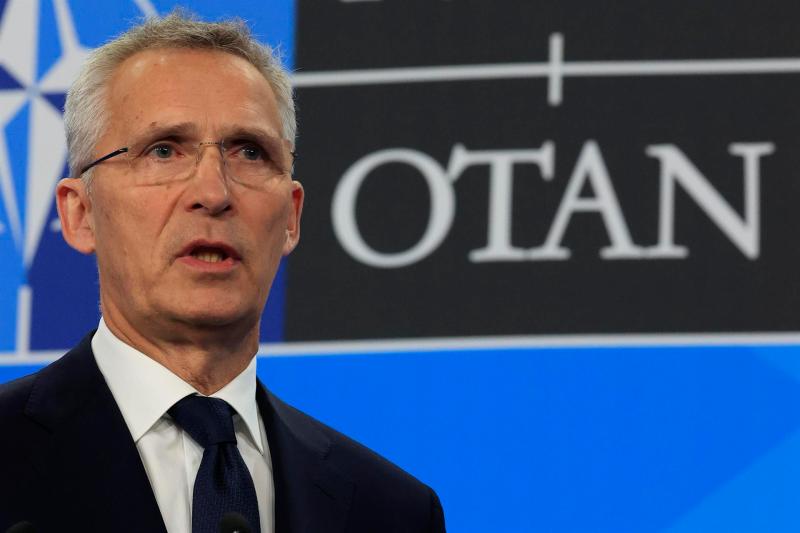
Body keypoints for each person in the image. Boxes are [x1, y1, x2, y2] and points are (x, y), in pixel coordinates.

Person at [0, 12, 445, 533]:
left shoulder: (391, 511)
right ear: (80, 213)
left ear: (291, 218)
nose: (213, 193)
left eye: (250, 153)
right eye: (164, 150)